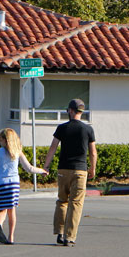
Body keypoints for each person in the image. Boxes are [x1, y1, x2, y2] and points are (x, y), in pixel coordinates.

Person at [43, 99, 96, 247]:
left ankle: (59, 232)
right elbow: (92, 152)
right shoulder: (88, 130)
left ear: (71, 111)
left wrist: (46, 166)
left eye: (68, 110)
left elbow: (53, 147)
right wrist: (92, 168)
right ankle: (69, 236)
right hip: (80, 170)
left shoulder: (62, 128)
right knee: (76, 203)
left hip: (63, 169)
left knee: (62, 201)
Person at [0, 128, 48, 244]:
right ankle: (11, 237)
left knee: (2, 209)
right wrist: (42, 171)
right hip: (14, 184)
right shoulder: (18, 152)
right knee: (12, 210)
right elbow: (29, 168)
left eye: (0, 140)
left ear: (4, 140)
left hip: (1, 183)